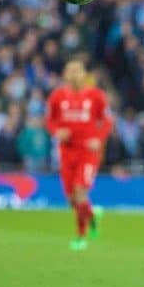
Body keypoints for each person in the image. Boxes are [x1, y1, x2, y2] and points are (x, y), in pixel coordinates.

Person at [45, 59, 113, 251]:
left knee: (79, 192)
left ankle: (80, 236)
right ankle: (92, 214)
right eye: (70, 71)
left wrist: (98, 139)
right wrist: (57, 132)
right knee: (71, 199)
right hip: (66, 152)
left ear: (84, 74)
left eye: (78, 71)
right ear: (65, 74)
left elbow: (107, 121)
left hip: (88, 152)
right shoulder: (57, 96)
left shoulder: (96, 96)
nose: (74, 74)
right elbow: (50, 120)